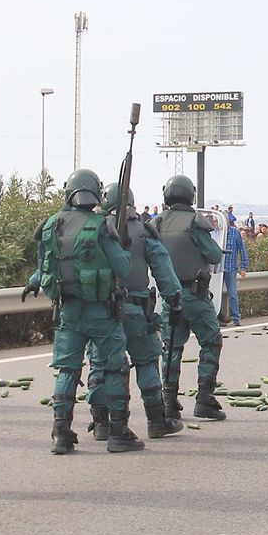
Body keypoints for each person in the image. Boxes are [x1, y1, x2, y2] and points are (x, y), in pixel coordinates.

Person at [29, 169, 136, 453]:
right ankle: (118, 432)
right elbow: (123, 268)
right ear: (95, 193)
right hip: (102, 312)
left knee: (67, 369)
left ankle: (61, 433)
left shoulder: (51, 225)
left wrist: (32, 283)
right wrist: (123, 248)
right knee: (115, 367)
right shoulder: (101, 225)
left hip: (69, 312)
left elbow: (44, 267)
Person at [87, 184, 185, 442]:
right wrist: (174, 300)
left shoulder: (93, 229)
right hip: (136, 309)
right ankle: (156, 421)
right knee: (146, 362)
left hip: (102, 311)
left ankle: (101, 423)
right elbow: (163, 270)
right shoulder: (143, 231)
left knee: (100, 365)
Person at [155, 175, 227, 421]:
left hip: (169, 297)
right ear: (190, 194)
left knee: (171, 348)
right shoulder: (195, 222)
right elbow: (215, 255)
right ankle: (204, 398)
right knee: (211, 341)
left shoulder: (157, 223)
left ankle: (168, 400)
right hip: (194, 295)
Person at [222, 214, 248, 325]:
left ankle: (236, 317)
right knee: (215, 294)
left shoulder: (234, 233)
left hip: (230, 267)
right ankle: (218, 318)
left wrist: (243, 267)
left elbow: (242, 250)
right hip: (218, 268)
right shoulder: (215, 232)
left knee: (232, 293)